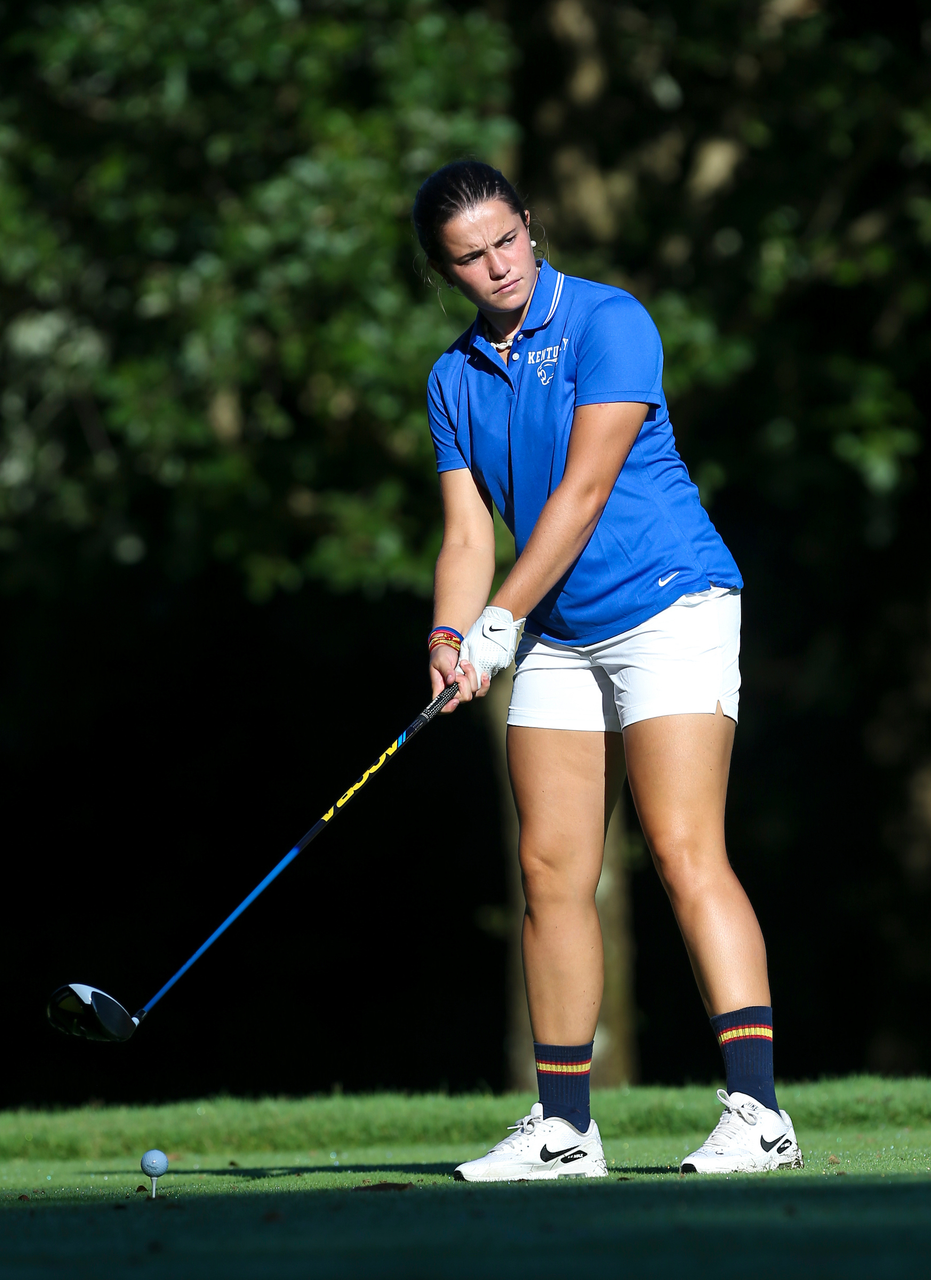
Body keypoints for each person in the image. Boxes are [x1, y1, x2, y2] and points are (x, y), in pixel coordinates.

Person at [413, 160, 803, 1181]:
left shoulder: (608, 321)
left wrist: (498, 619)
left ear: (530, 225)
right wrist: (450, 637)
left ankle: (759, 1114)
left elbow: (582, 492)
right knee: (550, 870)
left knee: (682, 848)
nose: (498, 266)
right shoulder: (452, 379)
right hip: (554, 628)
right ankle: (564, 1128)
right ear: (444, 272)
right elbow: (467, 534)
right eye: (470, 257)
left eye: (507, 239)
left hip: (668, 600)